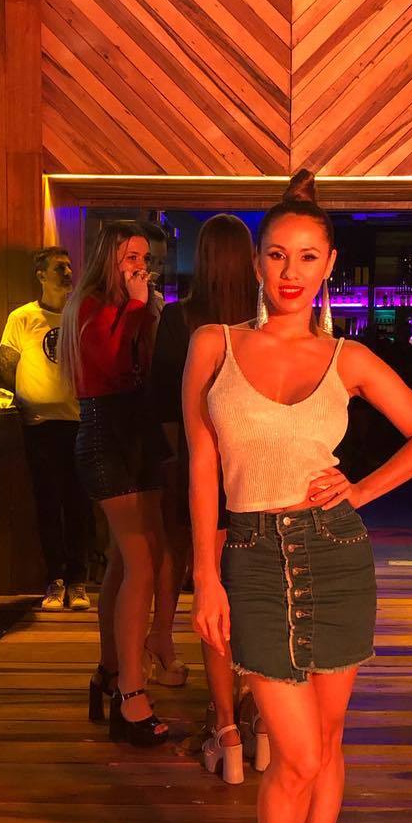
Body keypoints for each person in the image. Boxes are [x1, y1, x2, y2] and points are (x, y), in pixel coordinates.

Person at [183, 173, 412, 823]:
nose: (290, 272)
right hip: (252, 554)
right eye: (276, 255)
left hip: (334, 554)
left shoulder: (350, 358)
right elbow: (202, 464)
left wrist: (361, 491)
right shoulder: (213, 345)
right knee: (295, 754)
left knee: (325, 749)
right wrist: (205, 574)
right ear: (256, 263)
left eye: (307, 257)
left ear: (330, 264)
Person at [150, 214, 257, 781]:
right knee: (256, 596)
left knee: (209, 594)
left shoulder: (180, 319)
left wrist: (191, 462)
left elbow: (165, 406)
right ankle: (255, 712)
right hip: (258, 479)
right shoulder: (264, 323)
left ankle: (226, 725)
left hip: (201, 475)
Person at [60, 220, 169, 746]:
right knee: (140, 561)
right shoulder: (90, 306)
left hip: (138, 433)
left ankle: (109, 671)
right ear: (109, 258)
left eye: (145, 257)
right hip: (107, 433)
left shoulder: (133, 305)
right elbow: (107, 365)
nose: (139, 266)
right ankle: (130, 691)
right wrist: (138, 308)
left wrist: (146, 310)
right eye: (130, 257)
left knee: (130, 561)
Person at [0, 246, 91, 612]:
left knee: (78, 504)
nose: (68, 273)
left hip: (78, 422)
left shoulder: (80, 314)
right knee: (47, 503)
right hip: (38, 426)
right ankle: (55, 579)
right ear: (41, 275)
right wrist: (26, 400)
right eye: (59, 268)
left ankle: (78, 580)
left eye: (69, 266)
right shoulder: (22, 318)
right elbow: (5, 366)